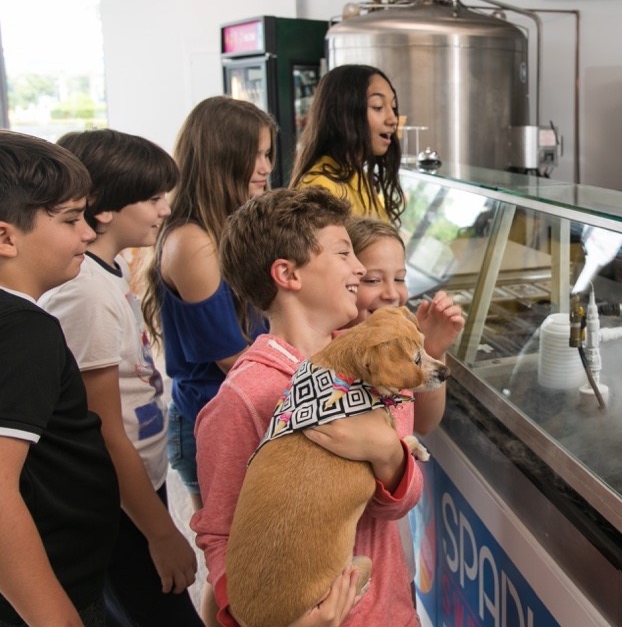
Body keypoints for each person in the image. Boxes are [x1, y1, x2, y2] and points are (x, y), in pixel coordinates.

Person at [193, 188, 424, 627]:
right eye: (343, 253)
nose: (359, 267)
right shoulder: (244, 398)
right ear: (287, 274)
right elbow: (221, 534)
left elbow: (397, 506)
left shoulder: (372, 366)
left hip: (393, 612)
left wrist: (386, 453)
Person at [0, 131, 119, 626]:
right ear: (4, 238)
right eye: (70, 219)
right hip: (17, 604)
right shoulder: (18, 330)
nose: (87, 233)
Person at [39, 130, 202, 627]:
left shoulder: (105, 274)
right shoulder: (85, 293)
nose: (165, 210)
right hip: (117, 503)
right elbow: (104, 429)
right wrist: (161, 533)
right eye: (152, 198)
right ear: (105, 207)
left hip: (138, 488)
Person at [141, 95, 276, 515]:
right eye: (255, 155)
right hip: (210, 419)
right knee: (230, 550)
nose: (266, 168)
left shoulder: (225, 229)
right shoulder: (193, 242)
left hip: (237, 412)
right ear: (221, 158)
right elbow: (231, 357)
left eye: (268, 154)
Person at [345, 216, 464, 436]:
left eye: (400, 279)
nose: (392, 294)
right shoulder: (329, 351)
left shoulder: (396, 346)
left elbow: (423, 424)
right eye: (372, 280)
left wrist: (431, 350)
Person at [291, 64, 404, 223]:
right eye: (377, 107)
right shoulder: (320, 187)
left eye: (393, 107)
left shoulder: (357, 174)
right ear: (344, 115)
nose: (392, 119)